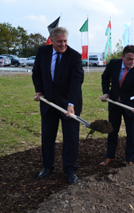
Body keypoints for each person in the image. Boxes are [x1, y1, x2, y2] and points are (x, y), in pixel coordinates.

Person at [32, 27, 84, 184]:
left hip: (69, 104)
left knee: (71, 138)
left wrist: (71, 103)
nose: (63, 44)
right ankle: (48, 167)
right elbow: (37, 73)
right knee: (47, 136)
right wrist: (39, 91)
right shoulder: (43, 52)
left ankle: (69, 169)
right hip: (48, 103)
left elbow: (77, 82)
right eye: (59, 41)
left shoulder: (74, 56)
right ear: (52, 40)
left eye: (65, 41)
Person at [100, 45, 134, 166]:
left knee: (131, 133)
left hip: (131, 106)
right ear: (123, 57)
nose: (132, 62)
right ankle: (110, 156)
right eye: (129, 59)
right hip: (115, 103)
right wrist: (106, 92)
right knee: (112, 131)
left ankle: (129, 159)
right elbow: (105, 77)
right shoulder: (113, 64)